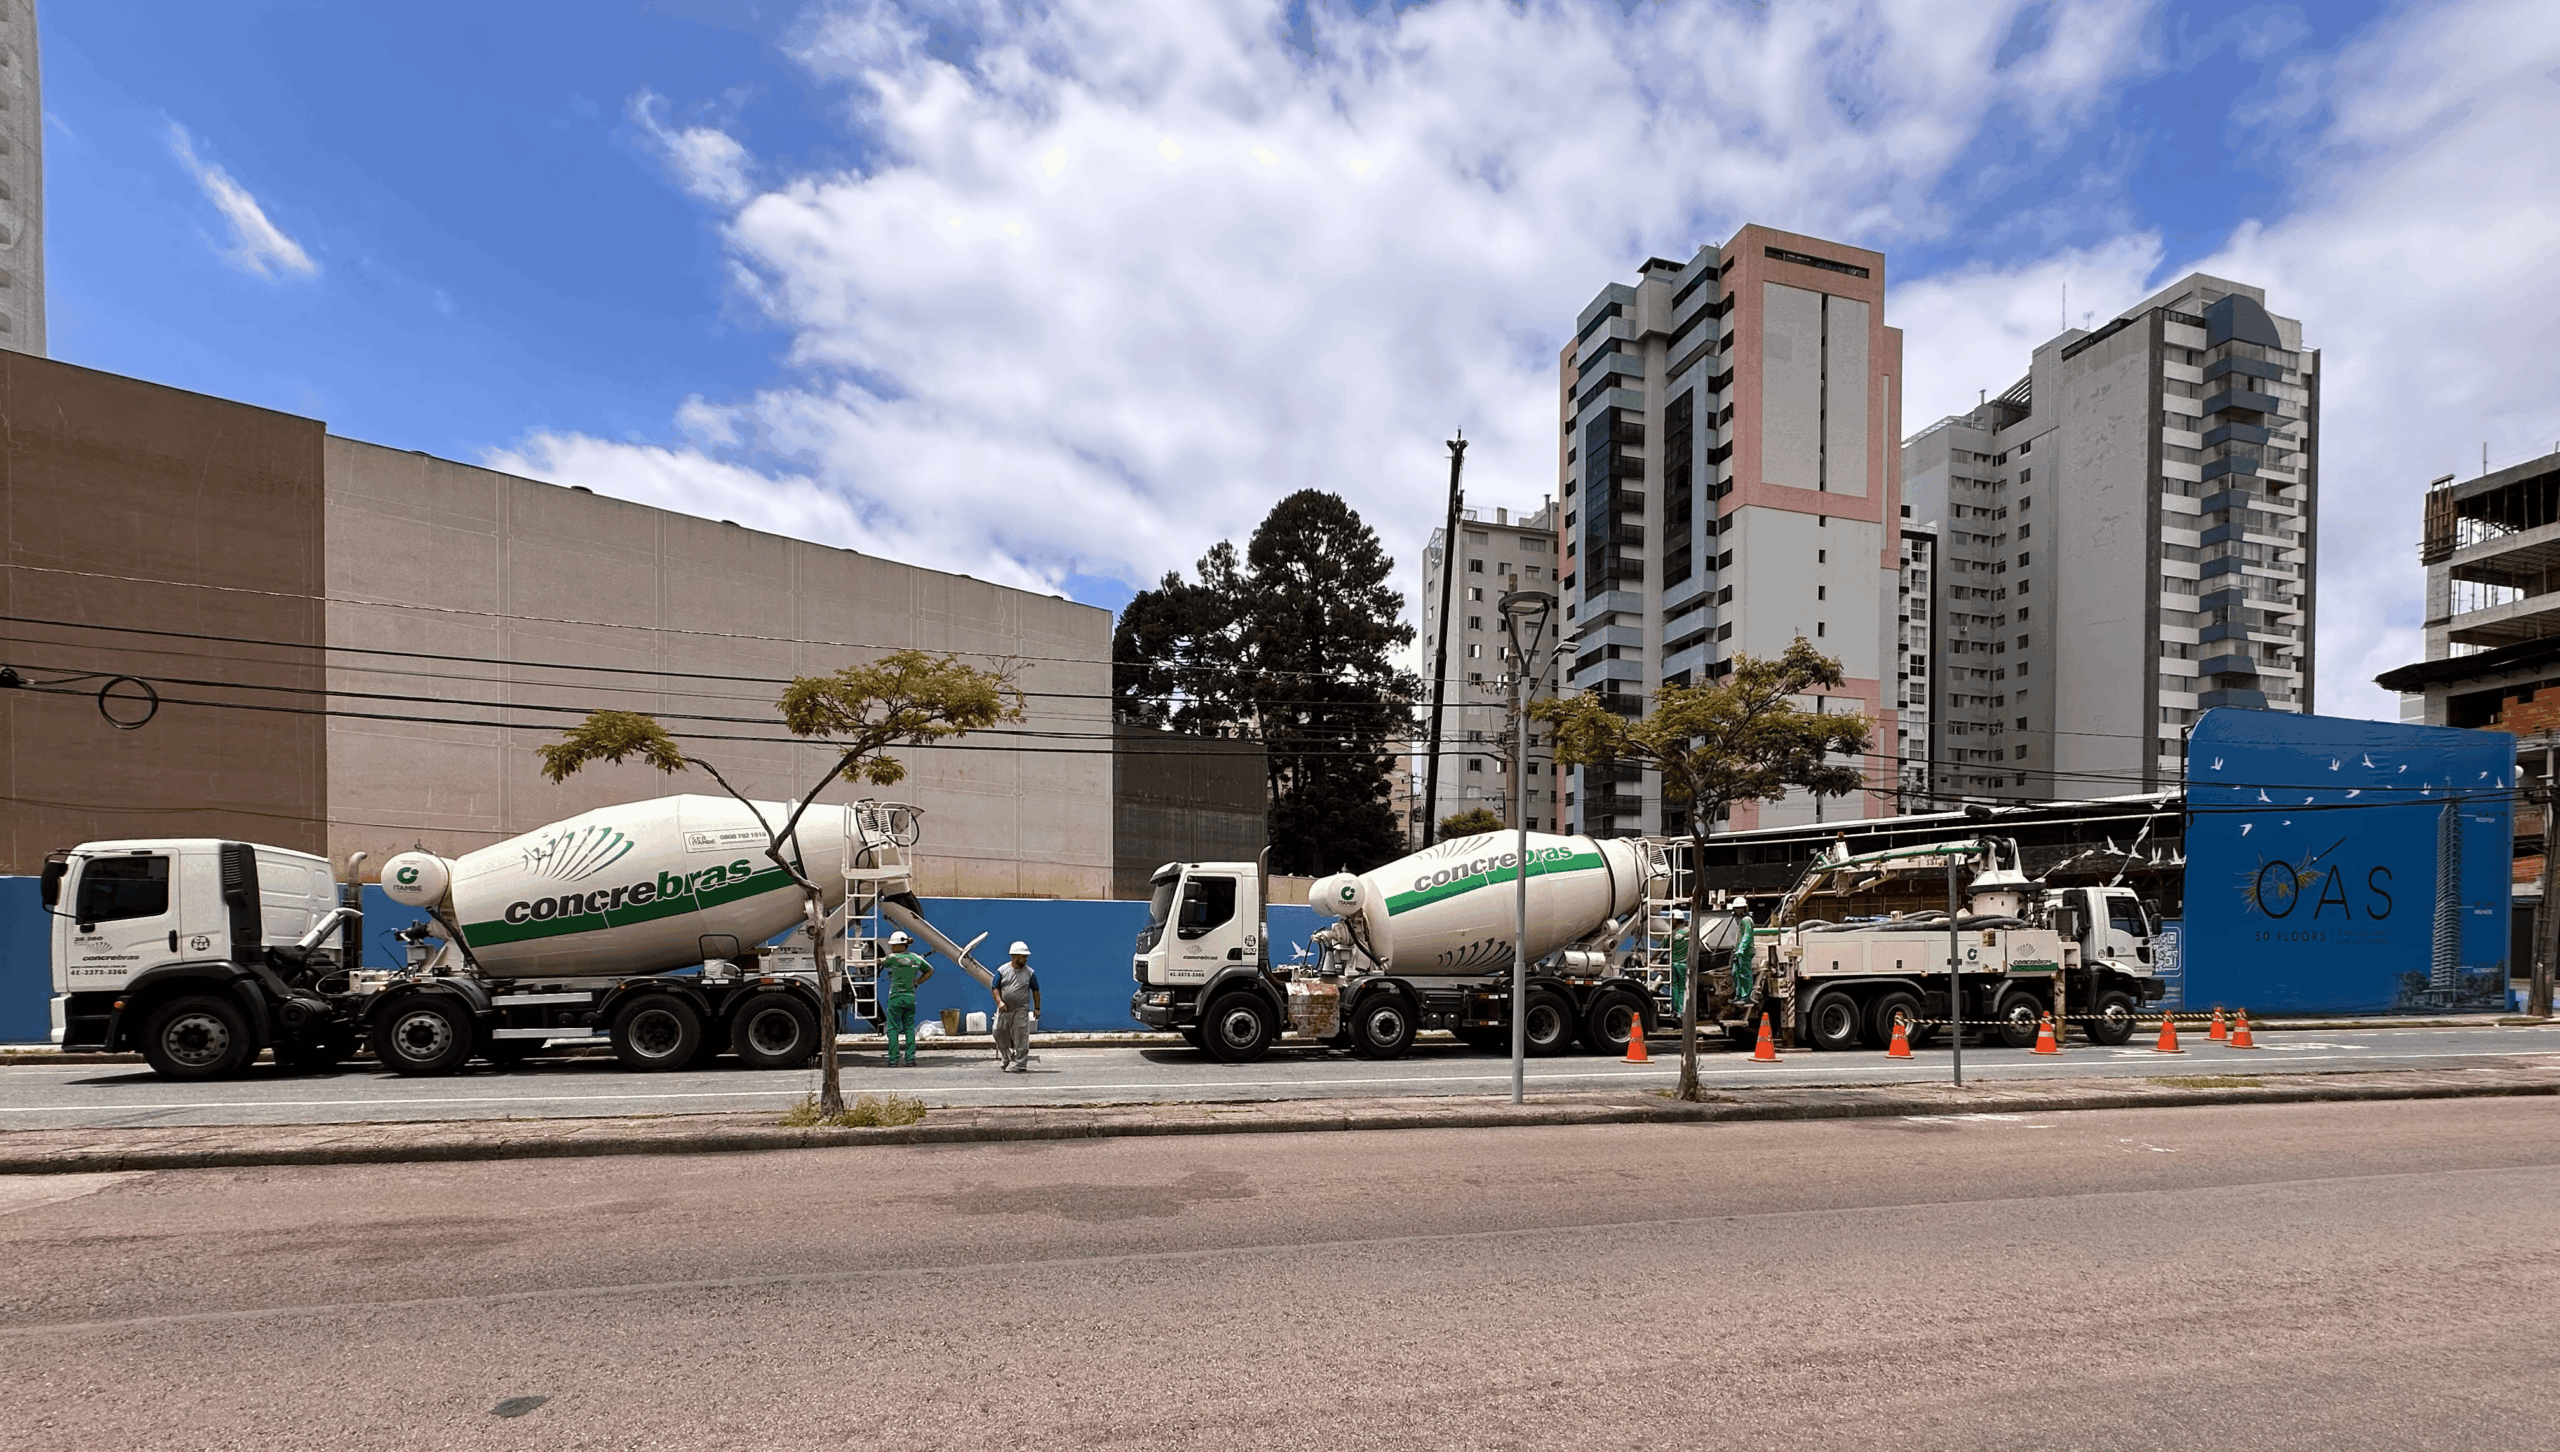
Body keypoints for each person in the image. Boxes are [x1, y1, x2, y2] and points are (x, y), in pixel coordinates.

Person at [878, 931, 933, 1067]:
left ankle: (893, 1059)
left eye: (892, 945)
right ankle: (910, 1059)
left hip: (895, 998)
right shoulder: (915, 958)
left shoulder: (892, 958)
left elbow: (879, 961)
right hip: (910, 998)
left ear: (898, 945)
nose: (891, 947)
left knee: (893, 1029)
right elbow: (930, 970)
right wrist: (917, 982)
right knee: (909, 1029)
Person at [990, 941, 1042, 1072]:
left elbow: (1035, 991)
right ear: (1014, 957)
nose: (1025, 959)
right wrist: (999, 1002)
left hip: (1021, 1009)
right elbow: (995, 987)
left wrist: (1037, 1008)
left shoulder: (1030, 973)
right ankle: (1006, 1054)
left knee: (1021, 1036)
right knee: (998, 1032)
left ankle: (1020, 1063)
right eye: (1023, 956)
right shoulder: (1002, 971)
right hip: (1004, 1009)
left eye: (1026, 956)